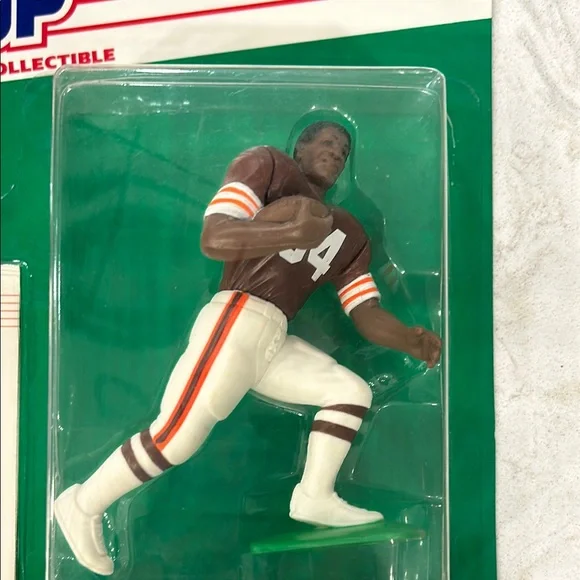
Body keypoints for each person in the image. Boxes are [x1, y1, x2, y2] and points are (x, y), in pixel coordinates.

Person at [55, 121, 442, 576]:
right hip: (237, 315)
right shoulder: (269, 166)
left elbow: (365, 312)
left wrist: (410, 339)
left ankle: (315, 495)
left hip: (275, 335)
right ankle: (83, 504)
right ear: (300, 147)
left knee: (350, 392)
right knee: (176, 437)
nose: (337, 153)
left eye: (344, 149)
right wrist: (289, 234)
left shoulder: (349, 232)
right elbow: (215, 236)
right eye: (327, 143)